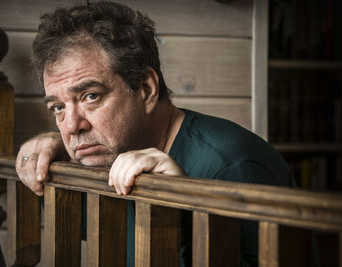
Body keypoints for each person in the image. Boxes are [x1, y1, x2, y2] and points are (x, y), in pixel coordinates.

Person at [16, 1, 295, 266]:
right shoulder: (108, 154)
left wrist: (182, 210)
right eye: (58, 106)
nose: (72, 126)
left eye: (91, 96)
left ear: (146, 89)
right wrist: (53, 150)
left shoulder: (234, 165)